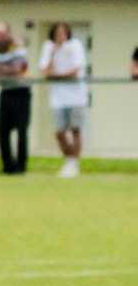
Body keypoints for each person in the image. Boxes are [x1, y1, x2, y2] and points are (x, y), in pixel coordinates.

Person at [40, 22, 88, 178]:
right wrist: (54, 53)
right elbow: (46, 72)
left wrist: (57, 76)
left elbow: (75, 72)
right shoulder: (48, 47)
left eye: (63, 32)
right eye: (58, 32)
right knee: (59, 131)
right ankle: (69, 160)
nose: (61, 35)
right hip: (58, 97)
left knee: (75, 129)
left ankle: (73, 164)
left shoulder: (75, 45)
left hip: (77, 96)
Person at [0, 22, 31, 175]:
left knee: (22, 131)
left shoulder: (18, 48)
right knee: (3, 130)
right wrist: (5, 71)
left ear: (8, 33)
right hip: (5, 91)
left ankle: (21, 166)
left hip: (21, 91)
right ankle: (7, 166)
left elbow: (17, 71)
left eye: (2, 34)